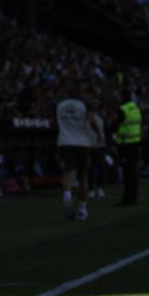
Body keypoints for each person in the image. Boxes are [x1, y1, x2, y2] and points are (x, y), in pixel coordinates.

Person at [56, 84, 98, 221]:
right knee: (83, 176)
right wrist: (98, 134)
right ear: (80, 92)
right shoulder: (84, 105)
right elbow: (92, 121)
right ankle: (82, 209)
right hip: (83, 143)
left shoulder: (60, 105)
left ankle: (67, 196)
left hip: (65, 142)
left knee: (68, 172)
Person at [110, 88, 142, 205]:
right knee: (133, 172)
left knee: (127, 172)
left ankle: (128, 198)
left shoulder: (123, 109)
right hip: (135, 143)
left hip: (125, 144)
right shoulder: (136, 108)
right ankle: (133, 197)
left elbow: (115, 125)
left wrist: (111, 131)